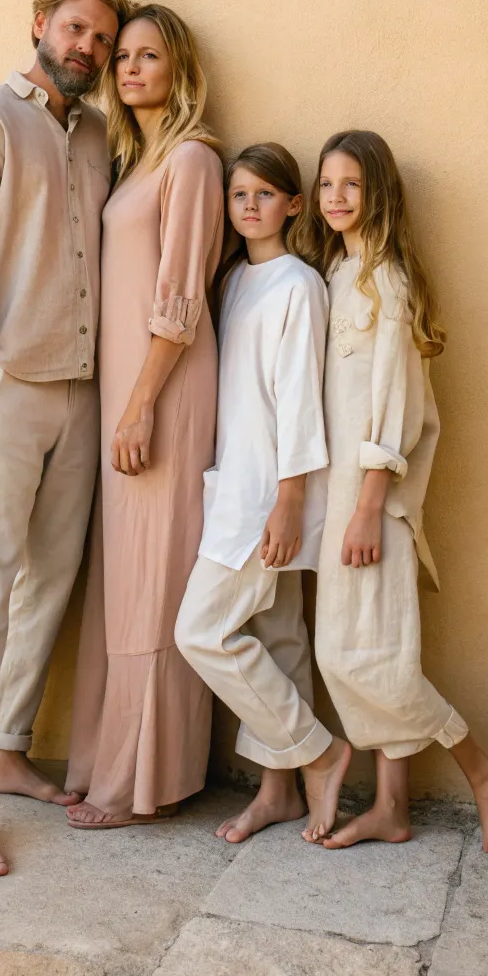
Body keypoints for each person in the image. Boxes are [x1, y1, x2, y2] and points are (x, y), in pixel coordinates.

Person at [0, 0, 133, 878]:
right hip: (8, 387)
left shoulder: (96, 136)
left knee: (50, 580)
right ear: (43, 24)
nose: (87, 47)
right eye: (77, 28)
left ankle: (9, 750)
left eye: (102, 37)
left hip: (83, 392)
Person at [296, 130, 488, 851]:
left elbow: (394, 410)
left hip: (376, 507)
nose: (335, 197)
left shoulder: (386, 280)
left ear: (380, 192)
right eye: (326, 183)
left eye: (351, 184)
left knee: (361, 658)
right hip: (341, 508)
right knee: (365, 653)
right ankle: (391, 807)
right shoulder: (335, 275)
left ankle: (480, 763)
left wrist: (366, 509)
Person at [65, 5, 224, 828]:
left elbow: (180, 302)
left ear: (178, 68)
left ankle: (143, 782)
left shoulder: (192, 160)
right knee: (125, 573)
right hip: (131, 393)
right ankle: (107, 763)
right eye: (121, 56)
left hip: (165, 390)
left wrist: (138, 408)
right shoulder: (138, 161)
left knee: (154, 575)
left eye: (147, 56)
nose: (128, 69)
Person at [175, 143, 352, 845]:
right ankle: (278, 793)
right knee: (279, 638)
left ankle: (319, 751)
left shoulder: (299, 286)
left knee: (202, 631)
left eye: (264, 195)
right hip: (235, 485)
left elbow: (300, 404)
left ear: (294, 204)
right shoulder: (233, 284)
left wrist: (288, 502)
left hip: (267, 499)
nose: (249, 207)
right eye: (238, 195)